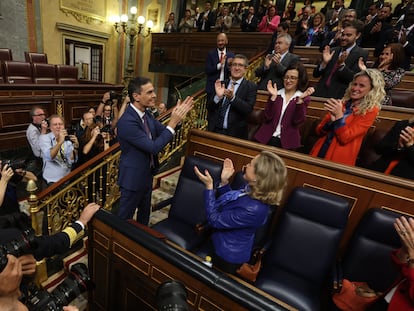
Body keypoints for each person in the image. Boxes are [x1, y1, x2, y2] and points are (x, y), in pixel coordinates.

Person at [193, 151, 287, 274]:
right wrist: (224, 182)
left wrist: (209, 187)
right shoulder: (251, 189)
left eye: (251, 164)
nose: (247, 165)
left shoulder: (254, 209)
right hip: (218, 242)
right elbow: (232, 205)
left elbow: (214, 219)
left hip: (226, 256)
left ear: (258, 176)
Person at [116, 77, 193, 224]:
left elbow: (165, 131)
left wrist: (177, 120)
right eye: (150, 92)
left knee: (144, 218)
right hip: (132, 180)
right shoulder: (126, 122)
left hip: (147, 175)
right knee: (123, 222)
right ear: (136, 96)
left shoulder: (148, 115)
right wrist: (172, 122)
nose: (154, 95)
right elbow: (153, 147)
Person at [0, 203, 99, 311]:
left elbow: (51, 244)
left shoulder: (8, 239)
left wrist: (27, 276)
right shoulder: (8, 238)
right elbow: (54, 243)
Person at [310, 69, 385, 166]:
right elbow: (319, 130)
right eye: (354, 84)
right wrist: (331, 122)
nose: (355, 88)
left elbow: (345, 138)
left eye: (361, 86)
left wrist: (339, 118)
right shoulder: (341, 103)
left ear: (371, 90)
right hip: (320, 150)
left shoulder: (370, 111)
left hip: (339, 158)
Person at [254, 63, 315, 150]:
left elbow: (297, 121)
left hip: (287, 142)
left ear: (299, 80)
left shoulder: (303, 97)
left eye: (292, 78)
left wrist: (300, 101)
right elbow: (267, 117)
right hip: (267, 137)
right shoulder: (276, 93)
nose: (288, 80)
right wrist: (273, 98)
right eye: (286, 77)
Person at [313, 20, 367, 99]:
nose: (344, 38)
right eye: (343, 34)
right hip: (320, 93)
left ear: (357, 35)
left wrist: (341, 65)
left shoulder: (361, 53)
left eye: (348, 35)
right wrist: (324, 63)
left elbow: (354, 78)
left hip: (340, 97)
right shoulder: (332, 51)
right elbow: (316, 74)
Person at [207, 54, 257, 140]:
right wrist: (217, 97)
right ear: (230, 68)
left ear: (245, 69)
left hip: (235, 135)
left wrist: (233, 98)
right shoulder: (221, 84)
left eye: (240, 65)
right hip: (214, 131)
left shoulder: (251, 86)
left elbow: (248, 109)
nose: (236, 68)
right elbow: (209, 107)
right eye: (234, 64)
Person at [39, 115, 79, 186]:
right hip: (51, 181)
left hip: (66, 179)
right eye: (55, 124)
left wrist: (75, 147)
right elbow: (49, 157)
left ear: (64, 126)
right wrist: (60, 142)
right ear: (50, 128)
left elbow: (72, 161)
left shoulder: (67, 140)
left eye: (60, 124)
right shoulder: (44, 138)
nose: (58, 126)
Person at [205, 33, 235, 101]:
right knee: (211, 108)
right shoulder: (211, 54)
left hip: (226, 86)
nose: (220, 43)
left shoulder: (231, 55)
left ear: (226, 41)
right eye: (218, 41)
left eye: (222, 40)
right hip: (212, 87)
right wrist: (220, 65)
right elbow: (208, 70)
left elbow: (232, 72)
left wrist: (230, 66)